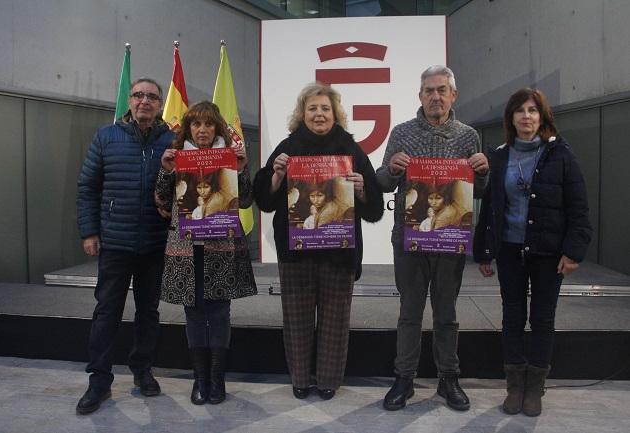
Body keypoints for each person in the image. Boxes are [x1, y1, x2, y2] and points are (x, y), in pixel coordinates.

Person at [253, 83, 384, 400]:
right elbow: (265, 201)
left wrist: (363, 187)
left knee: (335, 322)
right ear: (302, 113)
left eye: (325, 108)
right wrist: (276, 177)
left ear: (335, 113)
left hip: (339, 253)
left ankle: (328, 381)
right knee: (296, 319)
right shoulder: (287, 148)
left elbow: (375, 208)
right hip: (295, 253)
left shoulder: (351, 150)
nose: (319, 114)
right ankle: (299, 379)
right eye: (312, 108)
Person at [376, 66, 489, 412]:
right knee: (409, 312)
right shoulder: (401, 132)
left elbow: (477, 192)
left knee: (447, 313)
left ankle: (448, 378)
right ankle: (404, 378)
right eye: (429, 90)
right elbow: (381, 181)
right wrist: (392, 169)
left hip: (450, 241)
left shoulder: (468, 136)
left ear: (453, 95)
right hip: (409, 240)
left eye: (442, 90)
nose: (435, 96)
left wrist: (484, 172)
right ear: (420, 96)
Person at [474, 88, 591, 417]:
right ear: (511, 117)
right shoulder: (499, 156)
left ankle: (535, 389)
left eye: (533, 110)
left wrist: (573, 252)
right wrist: (484, 251)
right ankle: (514, 387)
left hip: (548, 253)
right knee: (512, 318)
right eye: (520, 110)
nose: (526, 116)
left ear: (543, 117)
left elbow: (579, 209)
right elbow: (491, 208)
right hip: (510, 251)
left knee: (542, 319)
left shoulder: (562, 155)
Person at [76, 77, 174, 415]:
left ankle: (142, 370)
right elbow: (88, 187)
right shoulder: (106, 137)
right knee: (107, 312)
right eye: (138, 95)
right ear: (129, 101)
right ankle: (99, 380)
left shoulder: (174, 141)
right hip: (115, 242)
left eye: (152, 96)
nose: (144, 101)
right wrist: (89, 232)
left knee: (148, 312)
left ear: (160, 104)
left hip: (156, 241)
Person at [155, 101, 257, 405]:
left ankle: (217, 379)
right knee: (194, 314)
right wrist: (165, 169)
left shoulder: (229, 159)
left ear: (218, 129)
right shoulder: (177, 158)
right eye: (196, 124)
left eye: (209, 124)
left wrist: (241, 169)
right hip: (185, 250)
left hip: (221, 247)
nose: (202, 130)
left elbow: (247, 200)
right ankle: (200, 380)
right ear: (188, 129)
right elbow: (160, 200)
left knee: (220, 313)